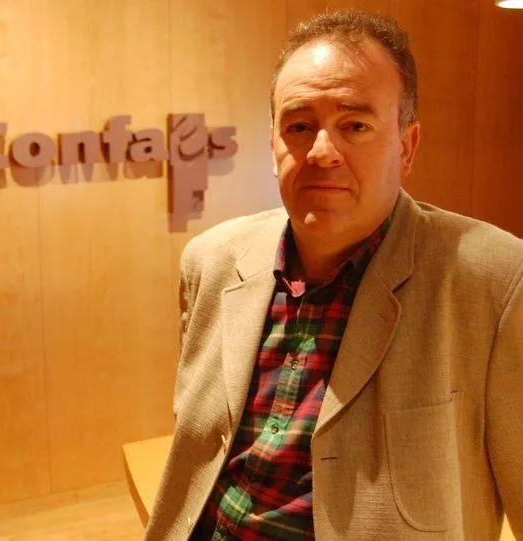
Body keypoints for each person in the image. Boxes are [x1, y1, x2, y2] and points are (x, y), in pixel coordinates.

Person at [145, 9, 522, 540]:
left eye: (355, 126)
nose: (322, 152)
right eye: (299, 126)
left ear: (407, 146)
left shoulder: (497, 282)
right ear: (274, 146)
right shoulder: (211, 261)